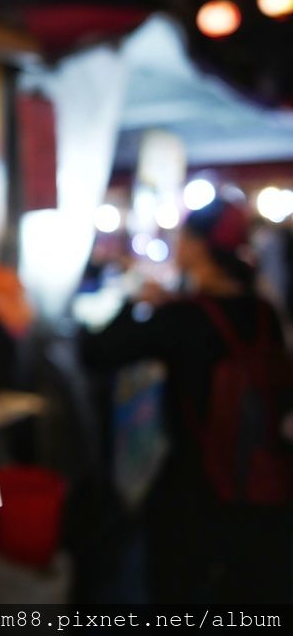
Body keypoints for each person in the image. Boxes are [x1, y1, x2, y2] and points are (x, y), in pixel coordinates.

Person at [81, 199, 293, 604]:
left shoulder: (184, 317)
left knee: (176, 600)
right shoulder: (264, 312)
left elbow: (96, 353)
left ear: (197, 246)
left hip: (195, 491)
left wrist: (136, 300)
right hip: (267, 487)